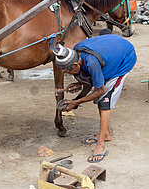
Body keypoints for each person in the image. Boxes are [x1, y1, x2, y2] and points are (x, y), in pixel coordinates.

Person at [53, 29, 137, 163]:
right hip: (112, 51)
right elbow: (87, 74)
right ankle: (107, 134)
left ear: (75, 64)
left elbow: (100, 91)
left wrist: (76, 102)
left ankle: (101, 145)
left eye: (68, 71)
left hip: (124, 58)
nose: (69, 74)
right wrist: (79, 83)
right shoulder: (77, 51)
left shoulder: (92, 63)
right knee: (100, 98)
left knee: (104, 101)